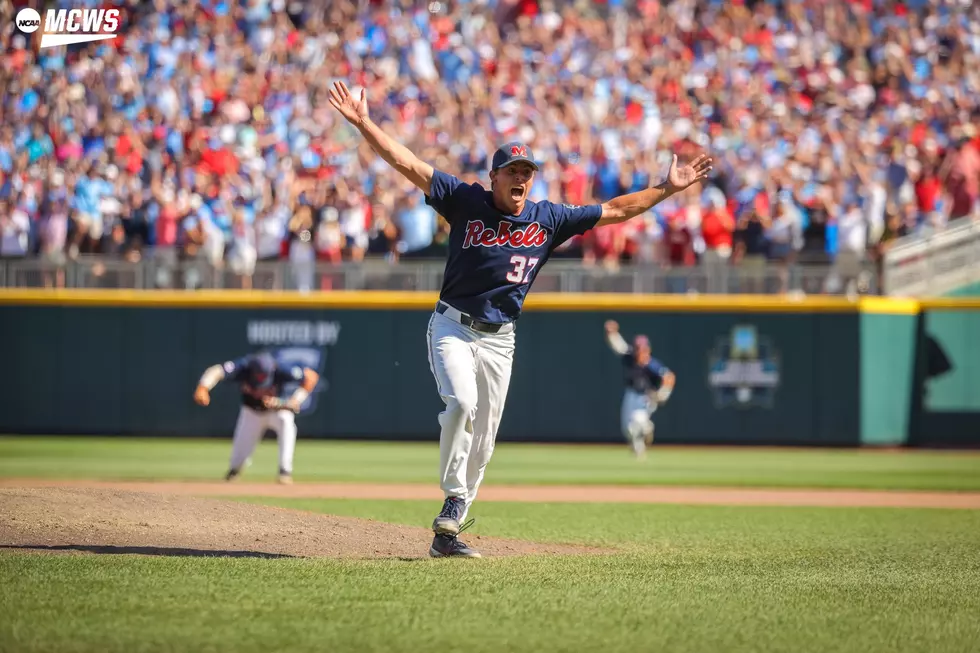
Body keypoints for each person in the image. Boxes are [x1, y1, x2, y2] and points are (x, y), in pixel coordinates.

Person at [329, 81, 711, 558]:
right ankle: (453, 499)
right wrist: (363, 122)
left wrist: (665, 189)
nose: (521, 178)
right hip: (452, 325)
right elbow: (408, 163)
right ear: (493, 176)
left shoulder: (548, 217)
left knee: (485, 439)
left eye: (527, 171)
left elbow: (614, 210)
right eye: (513, 170)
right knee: (463, 405)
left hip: (500, 339)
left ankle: (448, 534)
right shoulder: (464, 200)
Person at [193, 351, 319, 485]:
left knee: (287, 424)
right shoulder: (243, 366)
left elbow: (311, 377)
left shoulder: (281, 368)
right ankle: (234, 471)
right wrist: (203, 387)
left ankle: (285, 471)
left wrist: (296, 400)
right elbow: (216, 370)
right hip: (251, 411)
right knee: (239, 454)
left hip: (277, 411)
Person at [603, 321, 675, 459]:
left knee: (636, 423)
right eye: (638, 348)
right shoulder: (630, 357)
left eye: (642, 348)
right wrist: (611, 333)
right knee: (627, 430)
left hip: (645, 398)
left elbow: (669, 377)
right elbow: (619, 346)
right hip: (630, 395)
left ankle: (646, 432)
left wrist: (663, 394)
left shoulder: (652, 364)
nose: (640, 351)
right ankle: (641, 441)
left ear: (647, 349)